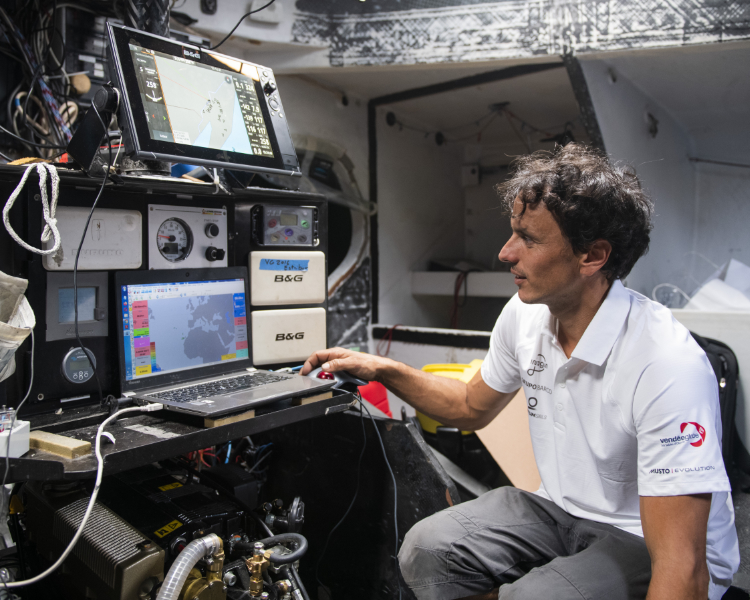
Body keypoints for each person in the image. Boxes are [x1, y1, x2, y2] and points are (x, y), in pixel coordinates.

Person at [301, 144, 739, 600]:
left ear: (592, 256)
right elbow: (469, 406)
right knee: (426, 549)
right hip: (560, 510)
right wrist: (382, 368)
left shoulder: (665, 363)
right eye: (513, 232)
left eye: (528, 239)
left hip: (641, 537)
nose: (505, 253)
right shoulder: (525, 314)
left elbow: (682, 567)